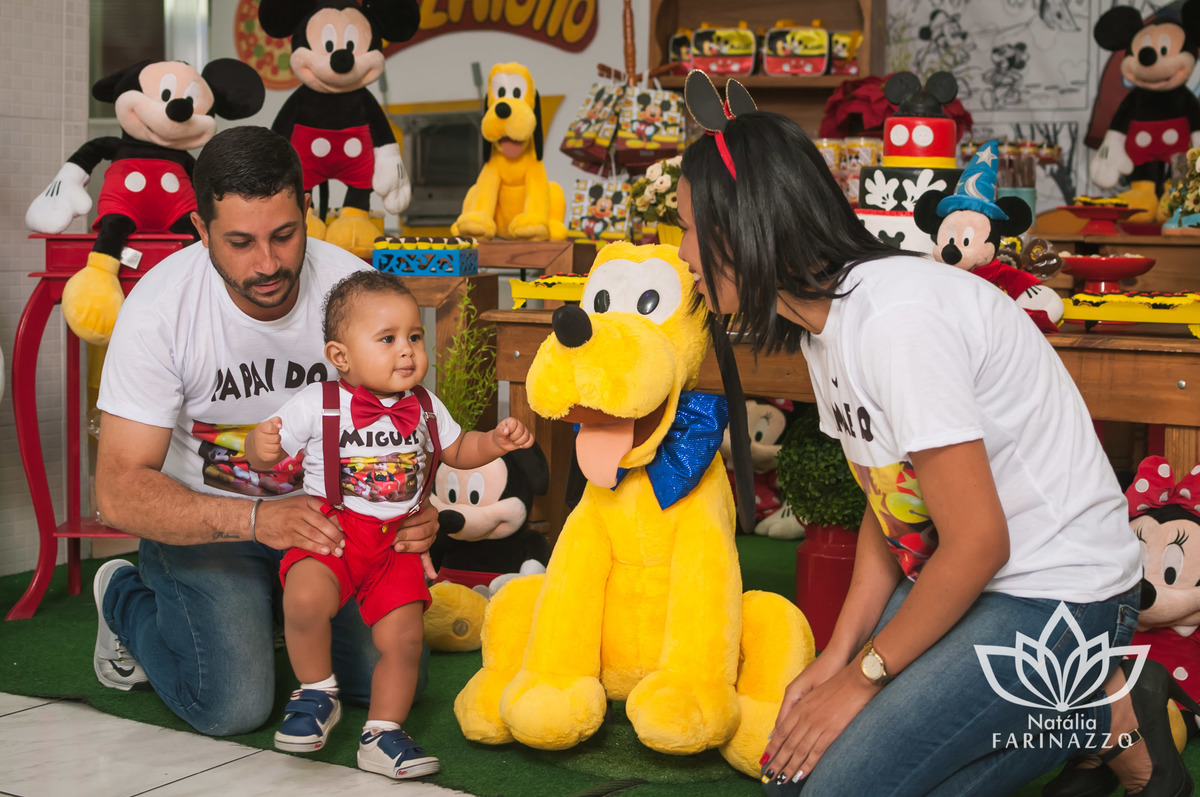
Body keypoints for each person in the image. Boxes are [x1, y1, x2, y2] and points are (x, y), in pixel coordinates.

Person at [675, 98, 1183, 796]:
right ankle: (1095, 715)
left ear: (744, 228)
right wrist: (838, 655)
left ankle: (1100, 710)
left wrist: (862, 680)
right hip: (969, 582)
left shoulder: (897, 320)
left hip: (1064, 595)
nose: (683, 255)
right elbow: (890, 503)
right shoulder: (825, 326)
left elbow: (979, 543)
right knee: (795, 779)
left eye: (688, 229)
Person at [92, 126, 437, 738]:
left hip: (335, 525)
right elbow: (118, 491)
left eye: (284, 235)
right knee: (234, 706)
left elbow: (405, 421)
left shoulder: (355, 293)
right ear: (201, 230)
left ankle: (273, 608)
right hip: (208, 522)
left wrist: (415, 505)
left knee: (391, 668)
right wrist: (256, 520)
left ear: (306, 210)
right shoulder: (158, 309)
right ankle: (123, 595)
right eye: (240, 242)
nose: (268, 264)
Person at [243, 270, 533, 778]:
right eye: (387, 339)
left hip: (397, 544)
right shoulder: (319, 402)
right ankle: (316, 692)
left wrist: (494, 442)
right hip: (333, 533)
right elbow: (264, 454)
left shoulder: (425, 406)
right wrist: (259, 446)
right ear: (340, 356)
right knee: (306, 598)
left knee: (403, 641)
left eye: (414, 337)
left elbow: (458, 450)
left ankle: (382, 732)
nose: (407, 351)